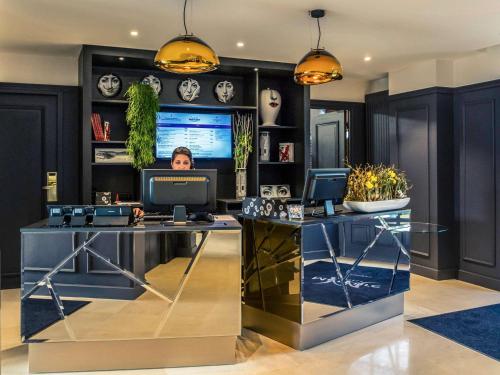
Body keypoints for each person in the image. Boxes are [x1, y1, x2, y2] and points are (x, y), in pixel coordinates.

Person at [133, 146, 194, 217]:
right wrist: (141, 211)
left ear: (190, 165)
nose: (181, 166)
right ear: (172, 164)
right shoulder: (160, 183)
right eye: (177, 162)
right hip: (164, 223)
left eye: (186, 163)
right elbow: (151, 208)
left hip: (193, 223)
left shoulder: (199, 185)